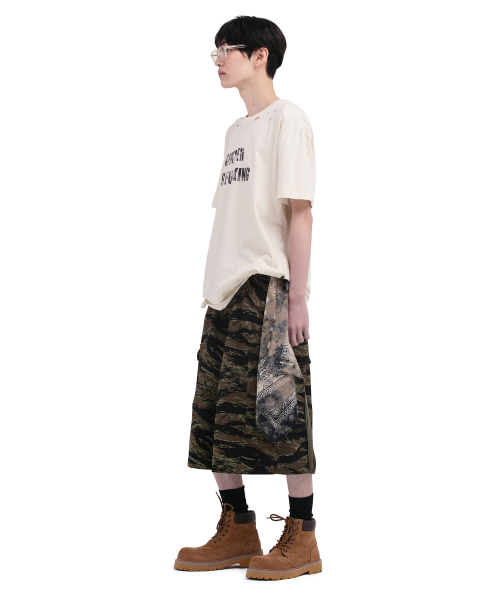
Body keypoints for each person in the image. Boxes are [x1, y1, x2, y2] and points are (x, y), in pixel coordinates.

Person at [174, 15, 321, 580]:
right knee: (216, 414)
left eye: (226, 49)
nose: (217, 59)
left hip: (267, 288)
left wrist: (297, 297)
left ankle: (303, 536)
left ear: (260, 55)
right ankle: (237, 526)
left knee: (282, 412)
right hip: (224, 291)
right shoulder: (236, 132)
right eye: (214, 51)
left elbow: (300, 213)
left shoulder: (289, 120)